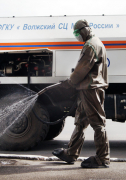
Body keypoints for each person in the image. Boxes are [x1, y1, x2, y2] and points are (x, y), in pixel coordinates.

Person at [52, 19, 110, 168]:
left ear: (85, 30)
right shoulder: (95, 42)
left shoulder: (91, 45)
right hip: (88, 88)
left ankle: (102, 158)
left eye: (78, 33)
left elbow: (82, 68)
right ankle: (71, 153)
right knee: (80, 121)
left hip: (91, 88)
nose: (77, 36)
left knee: (97, 122)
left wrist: (69, 82)